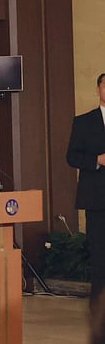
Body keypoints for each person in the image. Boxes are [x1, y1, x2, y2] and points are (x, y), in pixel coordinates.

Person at [67, 72, 105, 301]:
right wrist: (97, 160)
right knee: (100, 253)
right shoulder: (84, 121)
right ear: (98, 89)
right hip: (97, 198)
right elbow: (72, 157)